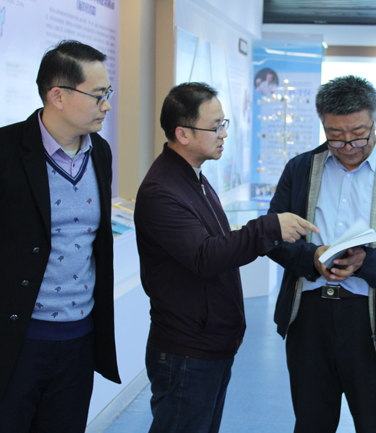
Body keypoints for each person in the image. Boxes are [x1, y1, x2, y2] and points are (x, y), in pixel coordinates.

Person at [134, 82, 317, 433]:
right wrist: (269, 228)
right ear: (183, 134)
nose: (224, 134)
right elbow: (205, 255)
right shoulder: (162, 190)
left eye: (224, 123)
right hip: (187, 347)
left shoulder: (194, 180)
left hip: (209, 343)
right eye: (215, 126)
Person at [0, 40, 120, 432]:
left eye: (108, 93)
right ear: (58, 96)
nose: (107, 106)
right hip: (11, 342)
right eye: (98, 95)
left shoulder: (99, 153)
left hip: (78, 342)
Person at [268, 75, 376, 433]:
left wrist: (366, 262)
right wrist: (311, 257)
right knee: (311, 423)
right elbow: (274, 235)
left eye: (358, 134)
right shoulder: (300, 170)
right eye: (335, 135)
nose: (348, 145)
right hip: (309, 316)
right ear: (323, 124)